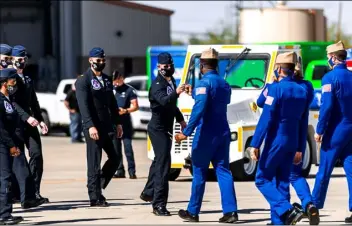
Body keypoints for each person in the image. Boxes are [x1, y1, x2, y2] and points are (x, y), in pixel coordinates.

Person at [174, 48, 238, 223]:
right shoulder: (224, 84)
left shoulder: (204, 83)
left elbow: (199, 109)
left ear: (202, 65)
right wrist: (193, 91)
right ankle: (231, 211)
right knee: (224, 171)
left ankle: (193, 211)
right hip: (222, 132)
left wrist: (185, 133)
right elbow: (216, 99)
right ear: (216, 65)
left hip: (206, 134)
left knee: (200, 171)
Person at [256, 59, 320, 225]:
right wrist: (300, 147)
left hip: (276, 140)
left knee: (262, 179)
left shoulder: (275, 88)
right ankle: (279, 221)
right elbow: (303, 120)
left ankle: (287, 210)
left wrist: (254, 143)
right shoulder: (304, 90)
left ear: (278, 68)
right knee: (283, 180)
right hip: (293, 141)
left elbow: (264, 111)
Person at [139, 52, 186, 216]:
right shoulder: (157, 84)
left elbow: (172, 106)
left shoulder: (171, 81)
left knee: (159, 160)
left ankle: (148, 192)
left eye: (170, 66)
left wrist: (181, 120)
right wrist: (177, 92)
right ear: (159, 67)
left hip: (167, 128)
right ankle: (158, 204)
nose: (168, 69)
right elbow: (165, 101)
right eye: (164, 67)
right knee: (164, 166)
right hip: (158, 129)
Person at [75, 47, 123, 207]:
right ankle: (95, 197)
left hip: (108, 125)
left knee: (115, 158)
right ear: (90, 60)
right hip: (93, 127)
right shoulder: (83, 80)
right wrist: (90, 126)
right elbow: (83, 105)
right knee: (94, 162)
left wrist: (118, 122)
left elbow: (112, 103)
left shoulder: (107, 79)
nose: (101, 63)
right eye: (98, 60)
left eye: (103, 60)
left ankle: (97, 184)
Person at [311, 41, 352, 223]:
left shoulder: (329, 78)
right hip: (351, 131)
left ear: (334, 58)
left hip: (335, 131)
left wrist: (320, 130)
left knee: (324, 170)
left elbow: (326, 107)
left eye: (329, 57)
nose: (328, 60)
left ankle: (314, 206)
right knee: (351, 171)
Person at [9, 45, 49, 203]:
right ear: (12, 60)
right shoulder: (9, 79)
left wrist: (40, 120)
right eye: (18, 60)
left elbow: (34, 101)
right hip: (17, 124)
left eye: (24, 59)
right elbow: (12, 103)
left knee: (37, 155)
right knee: (18, 160)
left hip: (30, 123)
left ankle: (35, 191)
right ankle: (20, 193)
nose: (22, 62)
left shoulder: (28, 78)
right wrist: (27, 117)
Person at [0, 68, 24, 225]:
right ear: (3, 83)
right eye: (12, 81)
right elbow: (1, 127)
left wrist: (15, 143)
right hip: (1, 144)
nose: (14, 84)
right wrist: (10, 145)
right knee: (5, 179)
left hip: (7, 142)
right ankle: (4, 215)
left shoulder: (8, 99)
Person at [111, 70, 139, 179]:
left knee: (127, 147)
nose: (115, 84)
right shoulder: (112, 89)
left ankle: (132, 171)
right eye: (114, 82)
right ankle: (119, 170)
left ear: (121, 78)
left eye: (117, 81)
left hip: (125, 122)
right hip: (114, 122)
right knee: (116, 148)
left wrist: (126, 110)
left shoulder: (129, 90)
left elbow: (135, 106)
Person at [64, 78, 84, 143]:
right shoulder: (71, 92)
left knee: (80, 125)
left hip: (79, 111)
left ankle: (78, 138)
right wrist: (70, 109)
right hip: (74, 112)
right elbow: (65, 102)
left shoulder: (79, 92)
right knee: (74, 125)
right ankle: (74, 139)